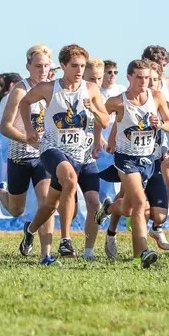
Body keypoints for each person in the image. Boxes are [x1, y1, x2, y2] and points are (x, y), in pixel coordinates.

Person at [17, 44, 109, 264]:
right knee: (69, 178)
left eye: (82, 66)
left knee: (52, 204)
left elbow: (104, 121)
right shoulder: (49, 88)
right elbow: (25, 102)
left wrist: (94, 109)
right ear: (63, 66)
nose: (79, 70)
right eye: (74, 66)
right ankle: (66, 239)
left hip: (82, 154)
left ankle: (30, 230)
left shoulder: (91, 89)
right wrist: (30, 129)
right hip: (52, 149)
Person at [96, 59, 169, 267]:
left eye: (147, 78)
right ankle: (140, 254)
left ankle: (110, 208)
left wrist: (162, 123)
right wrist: (98, 140)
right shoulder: (118, 101)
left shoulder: (156, 97)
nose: (143, 82)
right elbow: (101, 120)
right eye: (139, 77)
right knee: (140, 203)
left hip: (149, 159)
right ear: (129, 77)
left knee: (130, 208)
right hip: (126, 159)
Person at [0, 45, 56, 260]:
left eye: (46, 65)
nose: (42, 70)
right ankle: (0, 193)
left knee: (48, 203)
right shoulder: (19, 91)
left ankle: (46, 255)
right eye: (38, 66)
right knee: (16, 210)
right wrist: (29, 139)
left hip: (44, 157)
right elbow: (5, 127)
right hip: (19, 155)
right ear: (28, 66)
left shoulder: (53, 89)